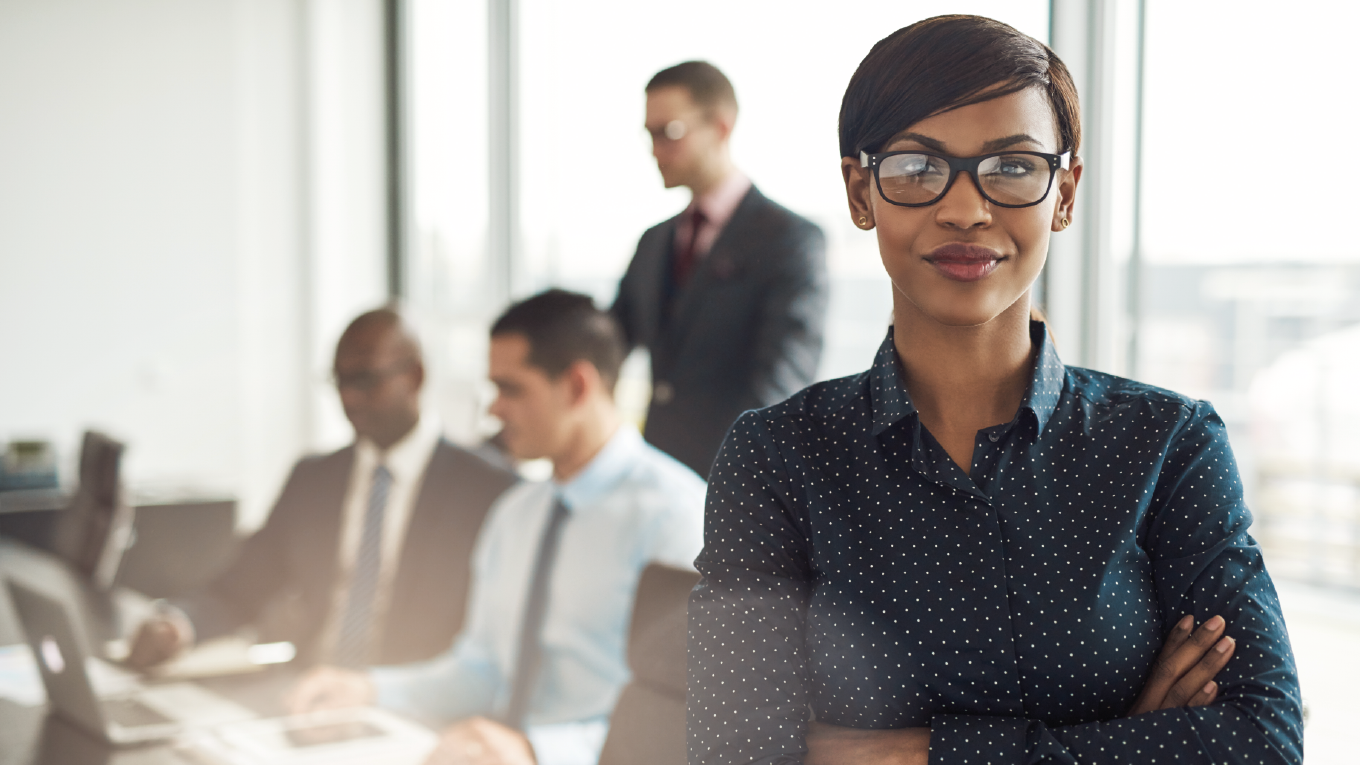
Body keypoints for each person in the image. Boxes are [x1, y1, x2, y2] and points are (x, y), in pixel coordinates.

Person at [687, 15, 1302, 765]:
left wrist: (906, 752)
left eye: (1012, 167)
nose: (965, 209)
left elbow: (1263, 741)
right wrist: (1122, 742)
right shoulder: (778, 457)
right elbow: (732, 752)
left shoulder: (1168, 444)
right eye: (916, 166)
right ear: (860, 191)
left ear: (1065, 193)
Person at [288, 290, 706, 765]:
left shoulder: (675, 520)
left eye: (510, 389)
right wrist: (367, 690)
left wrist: (536, 751)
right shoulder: (517, 513)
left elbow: (686, 719)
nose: (493, 410)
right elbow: (479, 672)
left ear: (576, 387)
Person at [127, 308, 516, 669]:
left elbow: (488, 646)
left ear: (415, 376)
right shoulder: (313, 479)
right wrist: (180, 623)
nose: (348, 397)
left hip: (414, 709)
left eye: (364, 379)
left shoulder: (489, 490)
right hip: (305, 696)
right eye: (340, 381)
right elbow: (241, 587)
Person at [612, 60, 829, 479]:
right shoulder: (655, 242)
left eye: (669, 132)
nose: (655, 149)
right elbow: (609, 343)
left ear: (722, 126)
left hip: (737, 484)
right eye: (649, 134)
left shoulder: (790, 240)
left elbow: (782, 381)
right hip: (656, 473)